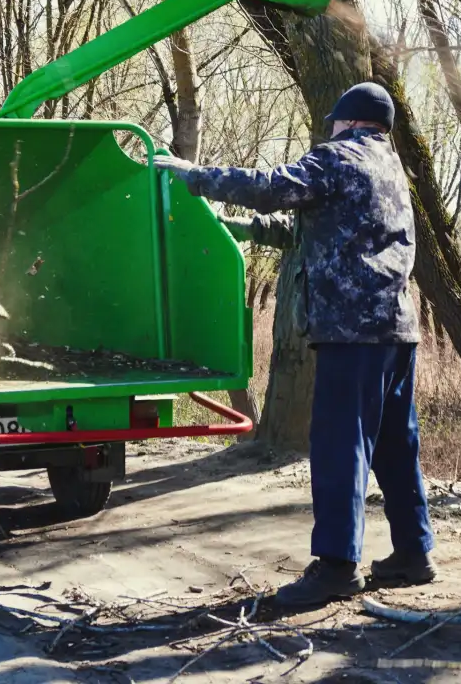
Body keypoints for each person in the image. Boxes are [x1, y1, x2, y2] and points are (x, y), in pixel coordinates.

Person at [153, 82, 435, 607]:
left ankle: (335, 567)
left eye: (333, 121)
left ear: (349, 121)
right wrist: (237, 226)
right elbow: (312, 230)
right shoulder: (390, 171)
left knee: (338, 445)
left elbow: (269, 185)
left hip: (350, 333)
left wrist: (195, 177)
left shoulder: (338, 156)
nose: (328, 128)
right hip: (396, 330)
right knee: (396, 445)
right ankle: (414, 553)